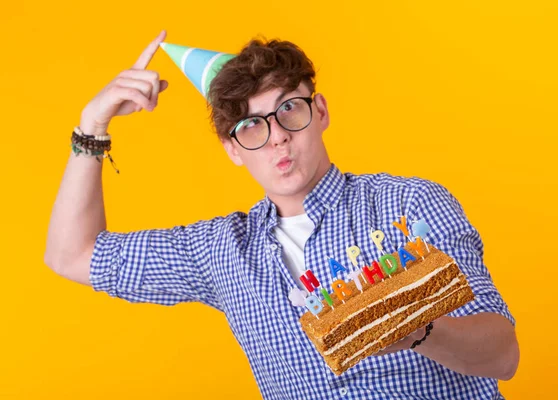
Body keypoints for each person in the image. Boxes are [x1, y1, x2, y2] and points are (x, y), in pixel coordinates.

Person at [44, 30, 519, 399]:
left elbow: (503, 354)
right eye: (251, 125)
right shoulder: (220, 252)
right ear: (232, 149)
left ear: (321, 110)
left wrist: (418, 330)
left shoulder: (410, 205)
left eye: (289, 110)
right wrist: (93, 124)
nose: (277, 137)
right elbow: (71, 255)